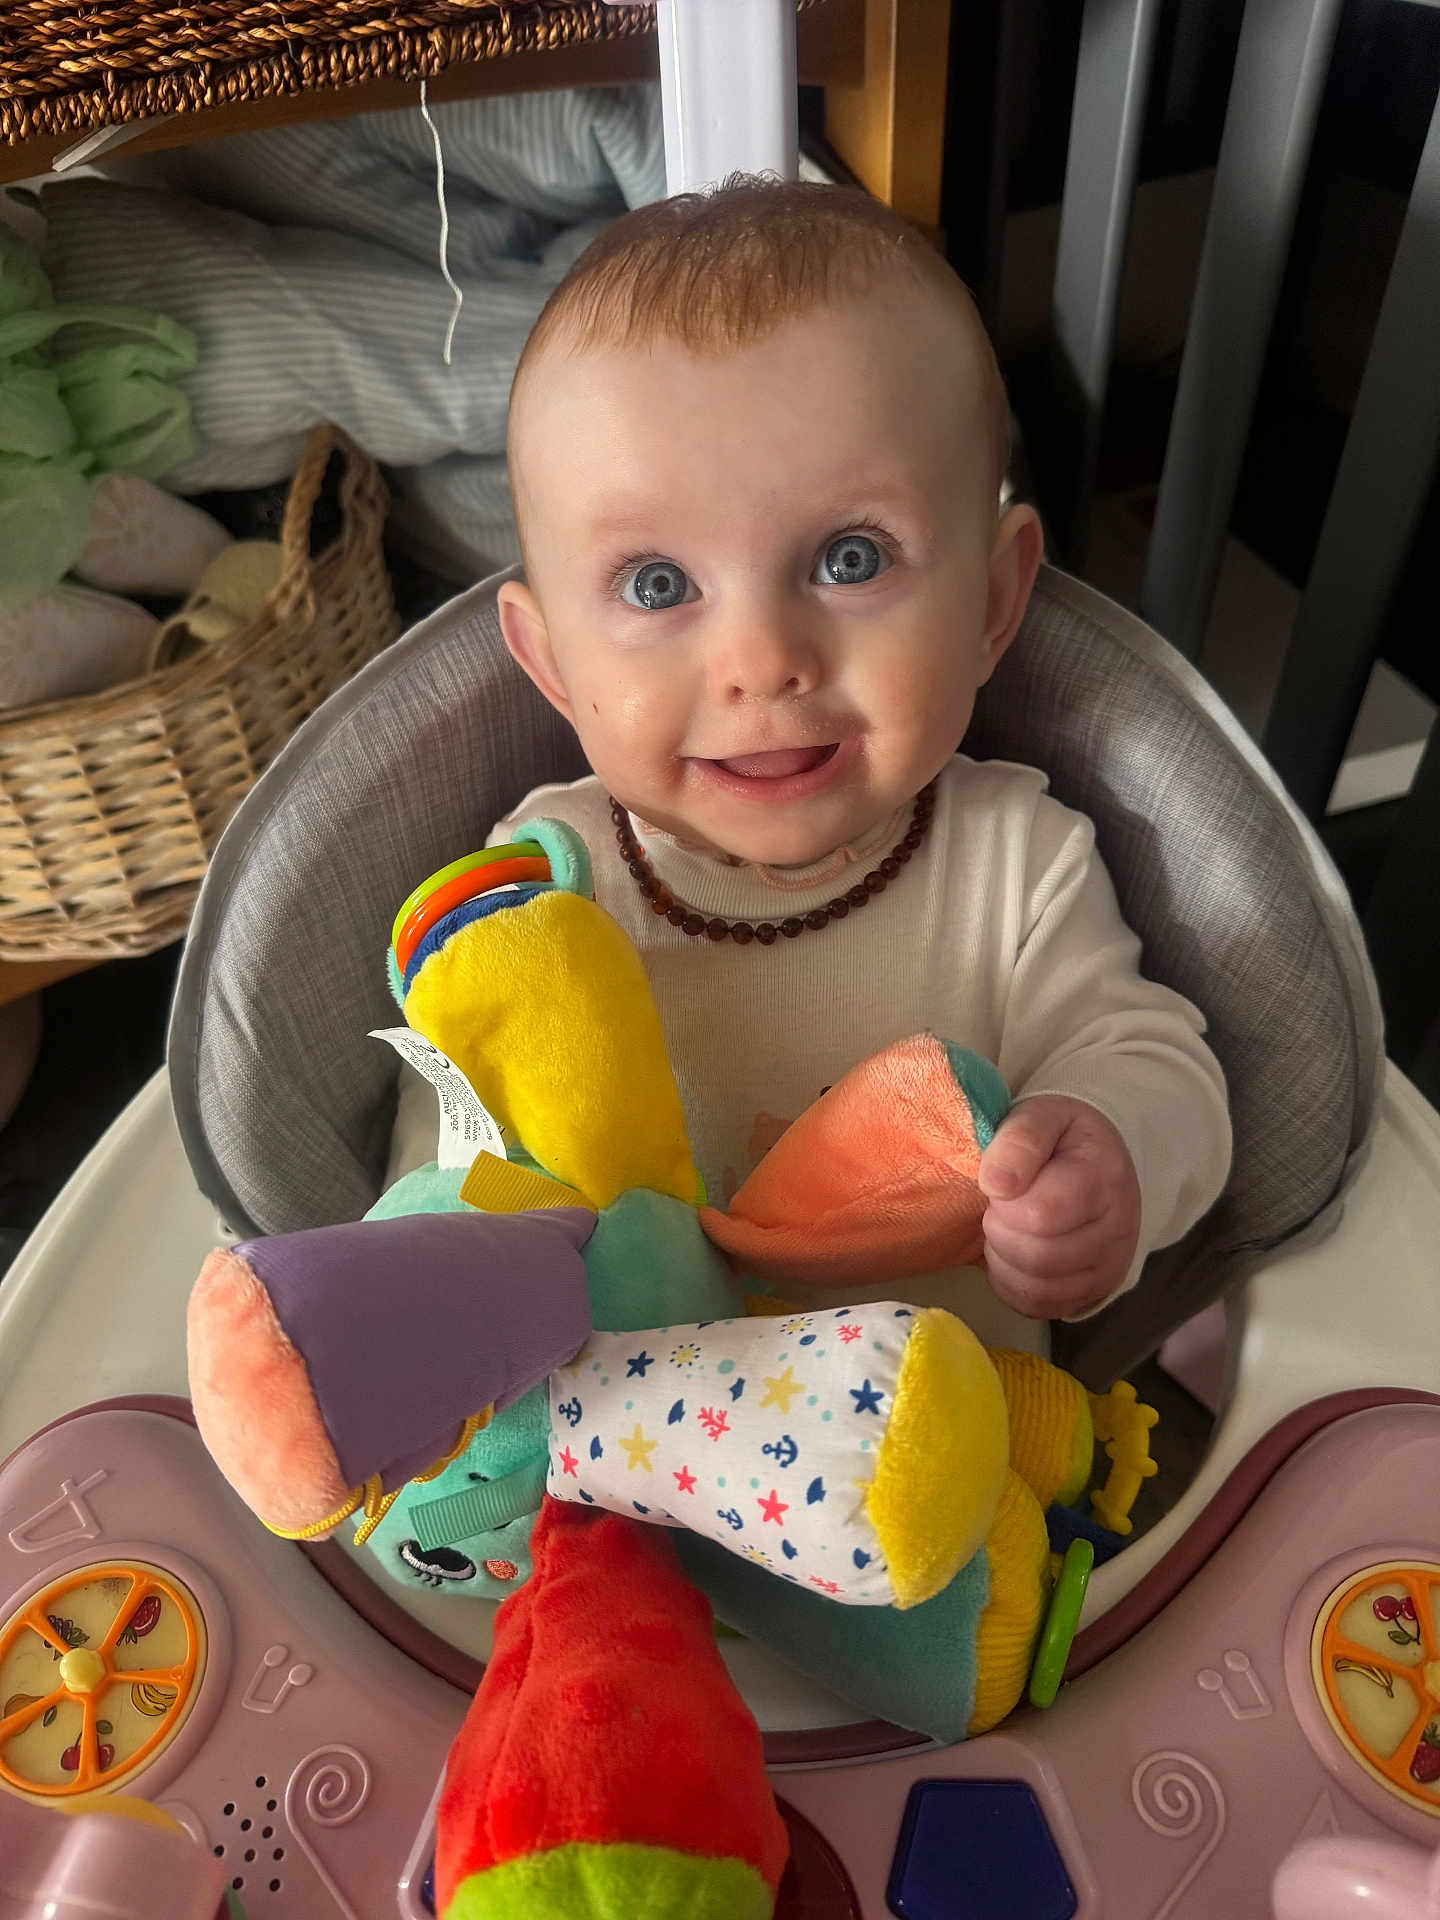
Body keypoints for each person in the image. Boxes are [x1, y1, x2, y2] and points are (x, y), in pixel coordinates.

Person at [488, 175, 1230, 1339]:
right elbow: (453, 1173)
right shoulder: (540, 890)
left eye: (850, 559)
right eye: (658, 584)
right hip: (622, 1433)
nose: (763, 662)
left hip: (965, 1434)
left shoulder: (1016, 863)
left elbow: (1154, 1059)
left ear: (994, 602)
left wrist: (1112, 1151)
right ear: (549, 663)